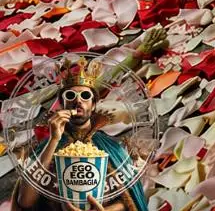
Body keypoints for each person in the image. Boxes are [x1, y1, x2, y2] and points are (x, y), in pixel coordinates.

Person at [12, 59, 150, 211]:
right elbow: (25, 201)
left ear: (94, 104)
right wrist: (54, 139)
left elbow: (131, 198)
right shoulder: (47, 147)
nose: (78, 101)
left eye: (85, 95)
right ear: (62, 104)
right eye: (70, 96)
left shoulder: (113, 149)